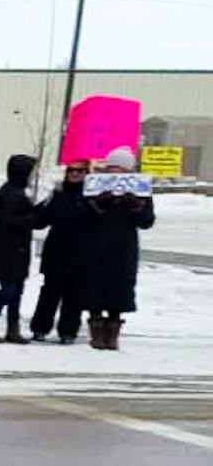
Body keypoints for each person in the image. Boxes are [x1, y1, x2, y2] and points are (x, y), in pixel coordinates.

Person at [84, 147, 155, 351]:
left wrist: (135, 206)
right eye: (111, 169)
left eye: (120, 169)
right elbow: (85, 218)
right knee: (96, 286)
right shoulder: (96, 189)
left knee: (120, 287)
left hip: (124, 247)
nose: (115, 174)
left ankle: (112, 332)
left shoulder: (139, 191)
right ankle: (96, 329)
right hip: (97, 246)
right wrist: (98, 205)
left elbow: (147, 221)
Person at [0, 154, 44, 344]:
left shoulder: (16, 191)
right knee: (8, 289)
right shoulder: (12, 193)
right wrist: (34, 217)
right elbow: (8, 220)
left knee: (17, 290)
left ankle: (12, 327)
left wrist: (39, 211)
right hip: (8, 249)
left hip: (16, 248)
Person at [30, 160, 92, 345]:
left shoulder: (91, 196)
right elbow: (40, 221)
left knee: (74, 296)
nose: (74, 174)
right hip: (56, 250)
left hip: (81, 252)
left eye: (79, 171)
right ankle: (40, 328)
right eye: (71, 170)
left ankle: (68, 331)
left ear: (86, 173)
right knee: (49, 293)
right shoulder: (57, 194)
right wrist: (41, 205)